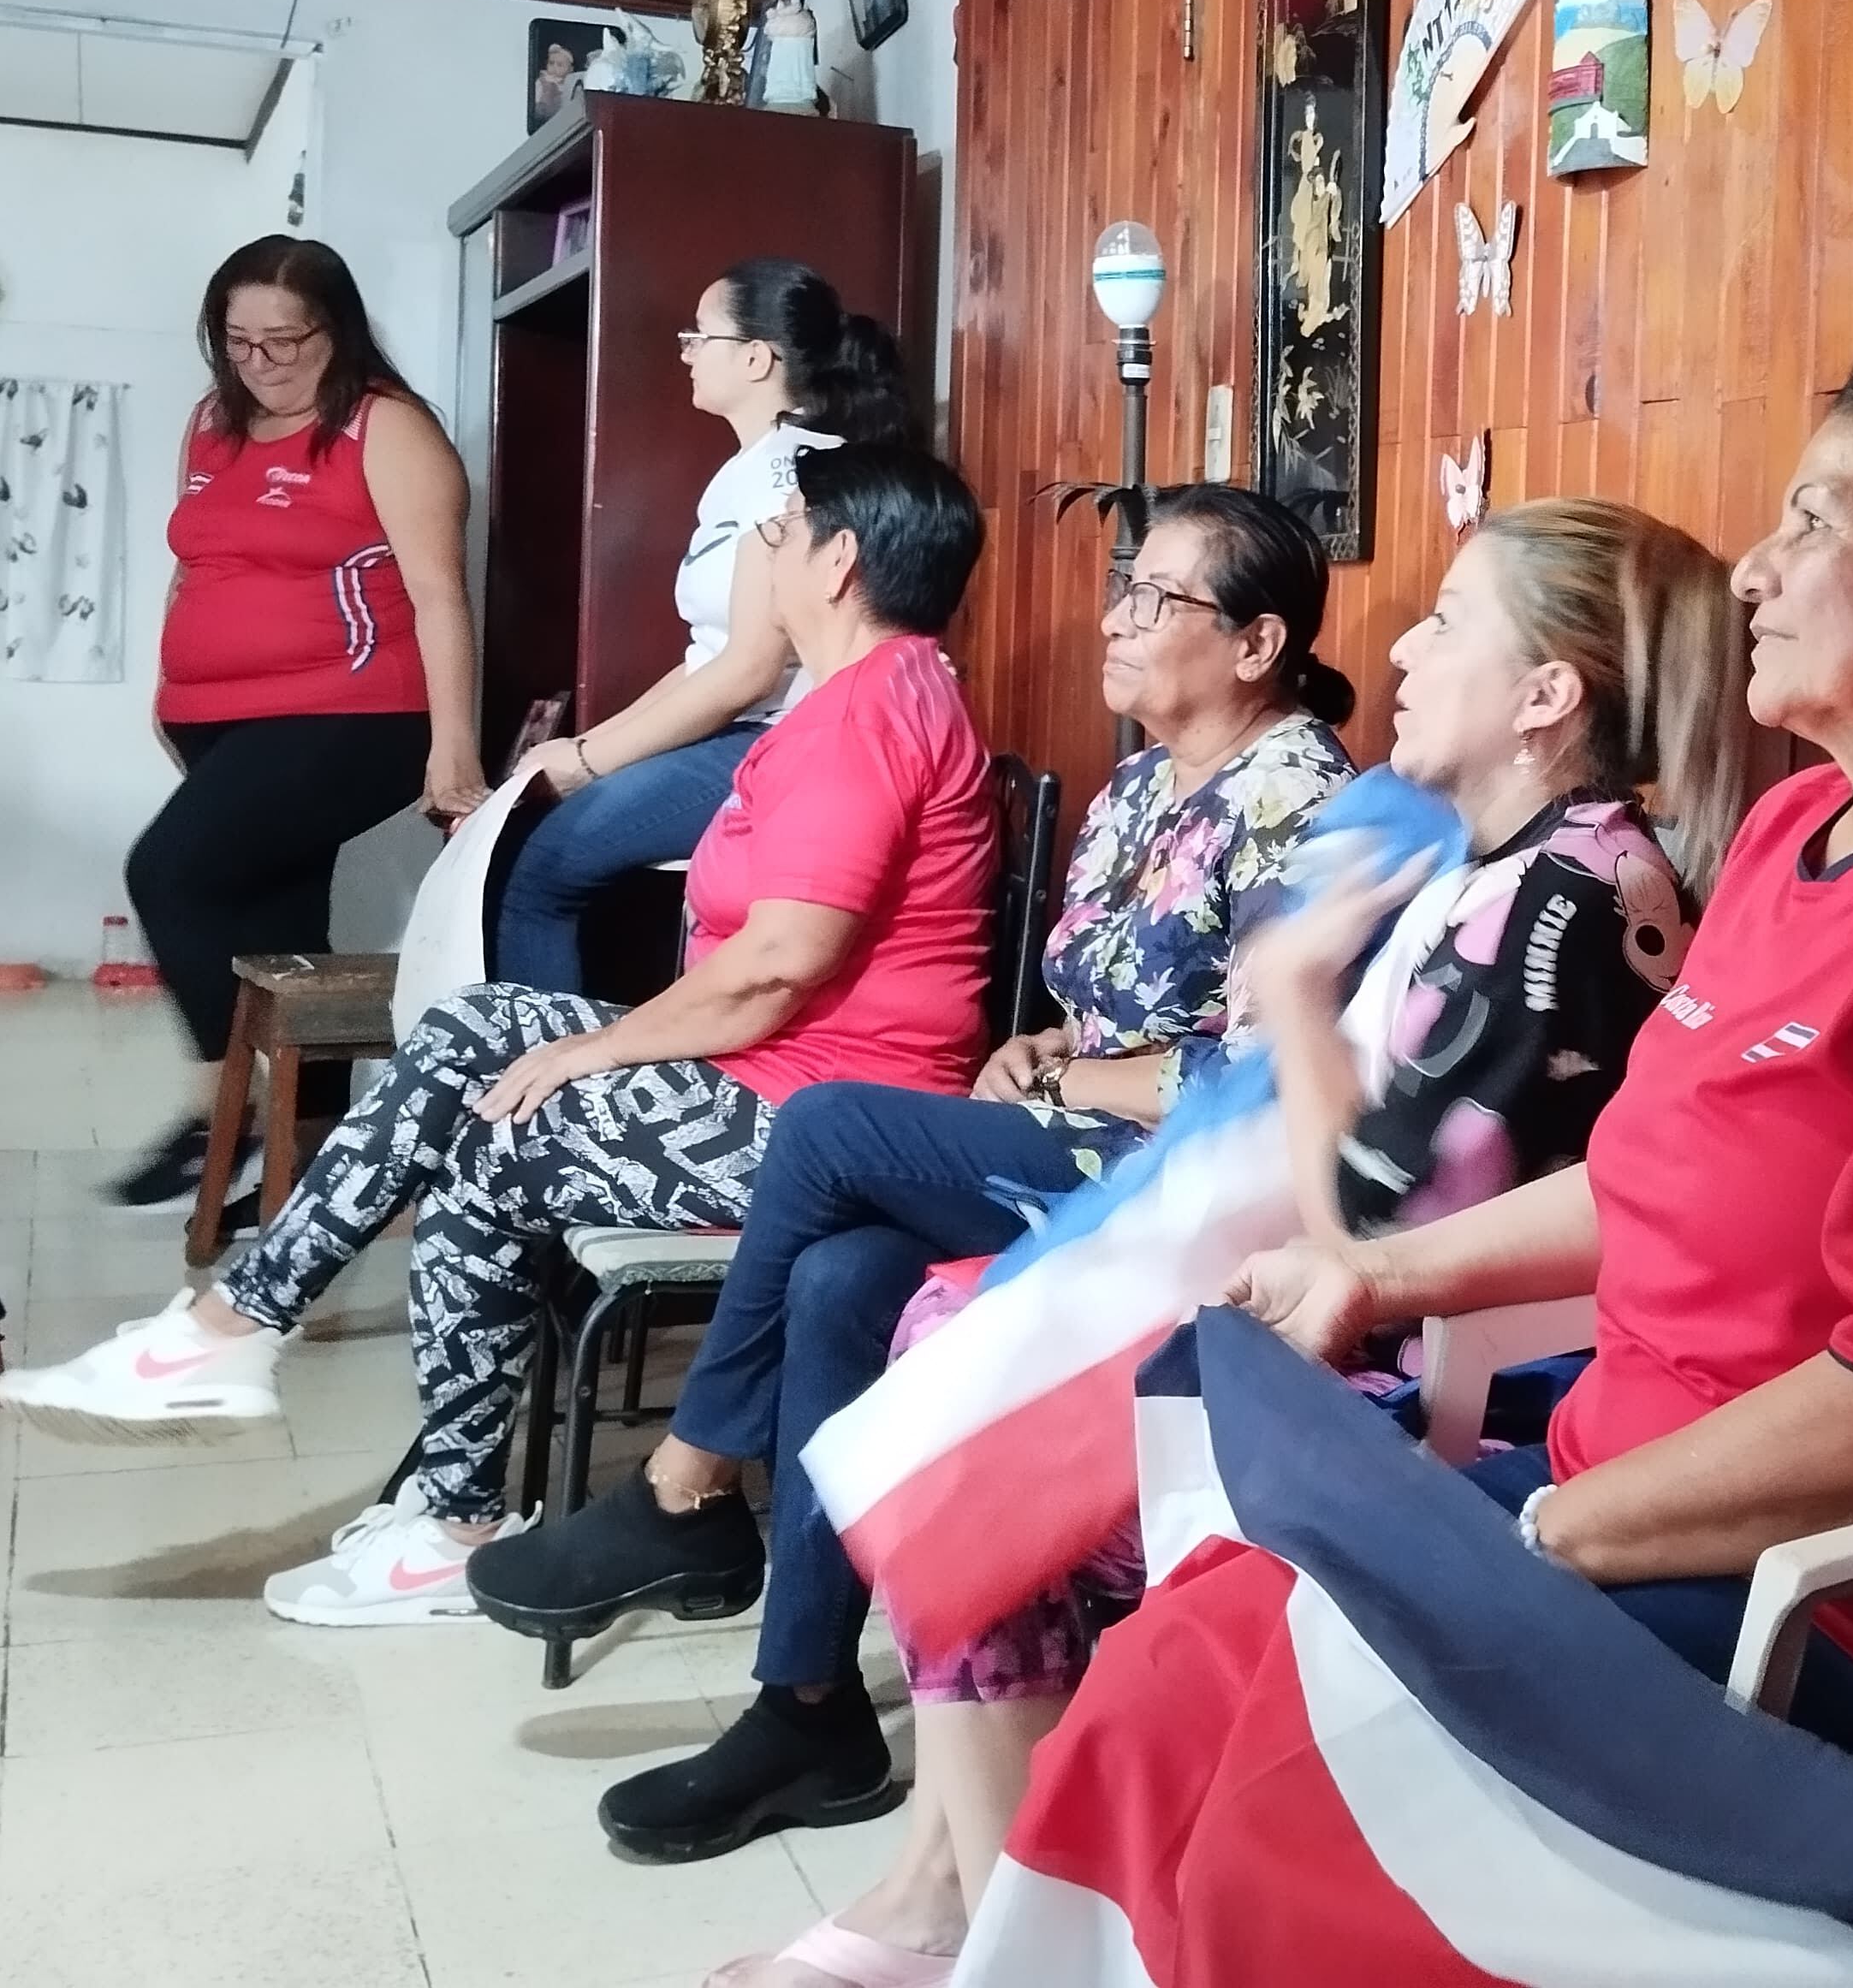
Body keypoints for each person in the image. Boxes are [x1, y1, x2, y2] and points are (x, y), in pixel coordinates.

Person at [987, 354, 1853, 1977]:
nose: (1756, 565)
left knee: (1290, 1767)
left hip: (1840, 1598)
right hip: (1612, 1515)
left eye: (1813, 517)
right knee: (1183, 1655)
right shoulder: (1800, 842)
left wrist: (1548, 1539)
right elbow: (1643, 1177)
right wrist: (1375, 1272)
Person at [702, 496, 1756, 1988]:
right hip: (1328, 1293)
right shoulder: (1474, 854)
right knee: (942, 1309)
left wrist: (1303, 991)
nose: (1401, 644)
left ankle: (998, 1906)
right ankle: (963, 1868)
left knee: (974, 1382)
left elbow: (1374, 1228)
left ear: (1544, 696)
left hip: (1424, 1364)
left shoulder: (1570, 899)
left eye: (1447, 619)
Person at [462, 484, 1358, 1860]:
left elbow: (1259, 1080)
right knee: (836, 1277)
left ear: (1256, 645)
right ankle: (807, 1708)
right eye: (1124, 586)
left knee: (829, 1130)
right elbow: (1114, 1004)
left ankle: (686, 1491)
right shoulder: (1136, 788)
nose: (1119, 618)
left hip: (1189, 1187)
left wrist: (1060, 1076)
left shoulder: (1301, 796)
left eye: (1160, 599)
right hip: (1083, 1133)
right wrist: (1035, 1048)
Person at [0, 443, 1002, 1630]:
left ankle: (388, 1461)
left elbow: (779, 966)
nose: (757, 555)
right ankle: (251, 1344)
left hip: (820, 1114)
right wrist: (593, 1043)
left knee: (489, 1146)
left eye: (775, 533)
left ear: (838, 564)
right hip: (780, 1071)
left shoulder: (868, 715)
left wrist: (593, 1052)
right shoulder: (861, 698)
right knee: (481, 1030)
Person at [102, 236, 482, 1216]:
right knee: (280, 937)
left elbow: (440, 596)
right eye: (238, 343)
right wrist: (164, 688)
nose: (261, 364)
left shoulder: (382, 428)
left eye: (285, 340)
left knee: (168, 872)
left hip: (351, 712)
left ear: (336, 331)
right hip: (216, 723)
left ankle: (213, 1113)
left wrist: (454, 748)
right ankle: (306, 1179)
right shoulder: (211, 425)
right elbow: (196, 566)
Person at [491, 258, 915, 995]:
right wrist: (585, 749)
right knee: (533, 836)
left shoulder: (799, 479)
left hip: (779, 742)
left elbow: (748, 670)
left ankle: (548, 1094)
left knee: (542, 869)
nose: (684, 351)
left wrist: (588, 762)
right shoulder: (754, 469)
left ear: (757, 358)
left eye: (699, 336)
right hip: (735, 730)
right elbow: (705, 657)